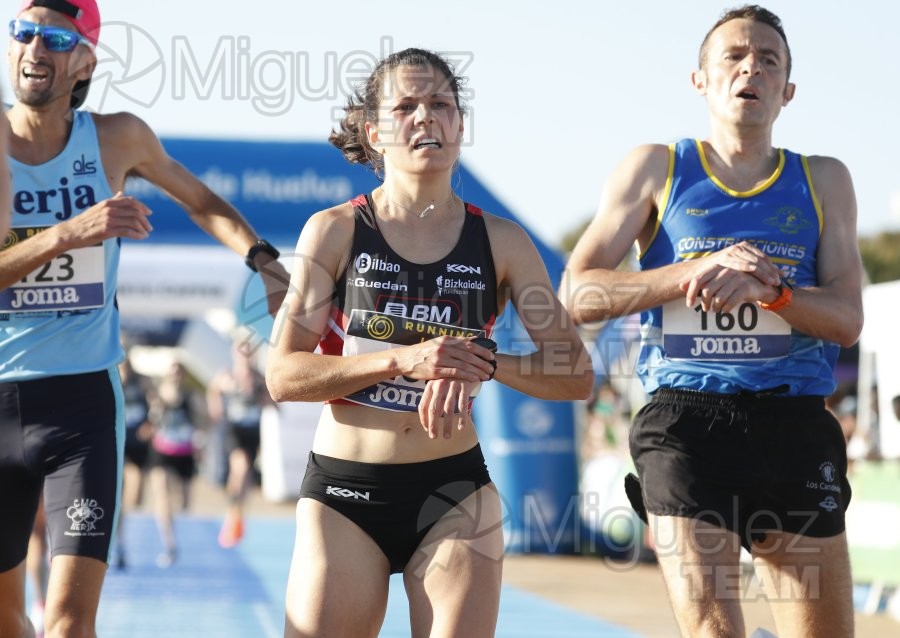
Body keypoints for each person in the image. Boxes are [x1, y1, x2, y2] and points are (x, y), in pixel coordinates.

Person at [265, 47, 593, 638]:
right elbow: (283, 376)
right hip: (344, 491)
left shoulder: (503, 242)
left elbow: (575, 374)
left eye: (441, 104)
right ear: (375, 133)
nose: (425, 117)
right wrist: (405, 358)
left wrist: (479, 362)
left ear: (460, 126)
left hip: (454, 494)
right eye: (406, 106)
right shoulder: (336, 231)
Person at [562, 5, 863, 637]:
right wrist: (695, 270)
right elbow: (579, 293)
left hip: (794, 425)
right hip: (686, 424)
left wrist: (774, 293)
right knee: (713, 630)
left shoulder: (824, 179)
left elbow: (847, 320)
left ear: (787, 91)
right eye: (734, 56)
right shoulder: (656, 168)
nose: (751, 68)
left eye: (769, 60)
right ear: (699, 80)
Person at [0, 1, 288, 635]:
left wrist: (264, 260)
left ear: (84, 62)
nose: (34, 49)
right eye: (24, 32)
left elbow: (200, 200)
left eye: (55, 39)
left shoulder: (117, 138)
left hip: (81, 405)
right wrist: (67, 233)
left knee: (69, 623)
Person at [207, 335, 272, 549]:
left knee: (245, 476)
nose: (245, 357)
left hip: (251, 432)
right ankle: (233, 513)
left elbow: (272, 401)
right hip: (233, 430)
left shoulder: (259, 378)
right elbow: (213, 390)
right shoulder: (227, 376)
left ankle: (237, 514)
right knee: (241, 467)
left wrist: (261, 396)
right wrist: (216, 408)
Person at [147, 361, 204, 568]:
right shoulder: (157, 395)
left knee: (184, 503)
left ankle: (176, 530)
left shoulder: (191, 396)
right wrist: (155, 409)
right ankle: (169, 543)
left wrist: (200, 440)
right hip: (162, 450)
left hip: (184, 451)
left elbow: (202, 421)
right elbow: (151, 420)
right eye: (172, 373)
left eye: (179, 373)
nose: (175, 376)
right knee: (161, 492)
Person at [114, 353, 155, 568]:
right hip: (116, 441)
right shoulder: (109, 377)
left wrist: (151, 422)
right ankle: (119, 542)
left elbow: (156, 404)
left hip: (137, 444)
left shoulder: (142, 381)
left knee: (136, 496)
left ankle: (124, 523)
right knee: (117, 496)